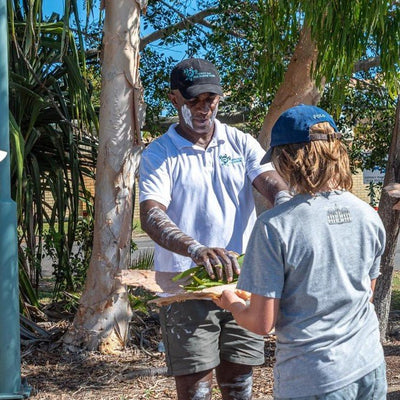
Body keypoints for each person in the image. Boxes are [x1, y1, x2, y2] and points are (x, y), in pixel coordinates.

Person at [139, 58, 289, 400]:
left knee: (239, 379)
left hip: (242, 282)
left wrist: (287, 203)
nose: (203, 108)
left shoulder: (240, 143)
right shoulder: (159, 153)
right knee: (196, 385)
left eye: (211, 99)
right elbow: (151, 215)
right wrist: (195, 249)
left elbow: (270, 183)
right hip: (186, 284)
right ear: (174, 99)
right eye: (193, 100)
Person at [214, 104, 387, 400]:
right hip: (369, 367)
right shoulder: (367, 215)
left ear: (286, 159)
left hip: (313, 377)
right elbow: (365, 295)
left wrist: (232, 303)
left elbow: (262, 323)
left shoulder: (274, 225)